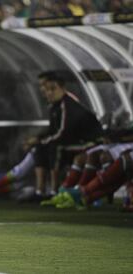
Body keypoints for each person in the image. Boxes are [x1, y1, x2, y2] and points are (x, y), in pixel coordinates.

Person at [28, 72, 103, 200]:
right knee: (39, 148)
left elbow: (64, 133)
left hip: (88, 143)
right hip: (70, 141)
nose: (48, 92)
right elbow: (53, 130)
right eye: (46, 89)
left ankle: (54, 190)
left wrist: (42, 141)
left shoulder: (68, 105)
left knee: (54, 148)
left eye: (52, 89)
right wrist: (39, 140)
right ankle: (39, 191)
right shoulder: (54, 106)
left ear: (62, 88)